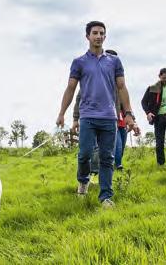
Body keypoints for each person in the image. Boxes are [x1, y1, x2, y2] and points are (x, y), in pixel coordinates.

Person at [56, 21, 139, 208]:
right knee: (84, 154)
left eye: (102, 33)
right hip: (88, 116)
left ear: (105, 36)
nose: (99, 36)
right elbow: (70, 88)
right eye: (95, 33)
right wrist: (62, 113)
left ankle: (105, 197)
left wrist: (128, 114)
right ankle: (83, 181)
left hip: (109, 117)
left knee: (107, 158)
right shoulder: (79, 62)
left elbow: (122, 87)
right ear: (87, 36)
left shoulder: (114, 62)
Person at [72, 50, 128, 171]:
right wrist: (75, 119)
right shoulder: (91, 80)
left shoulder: (118, 84)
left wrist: (130, 118)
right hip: (92, 118)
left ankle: (112, 171)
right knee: (91, 150)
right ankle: (92, 172)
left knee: (118, 148)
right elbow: (78, 99)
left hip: (115, 119)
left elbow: (124, 103)